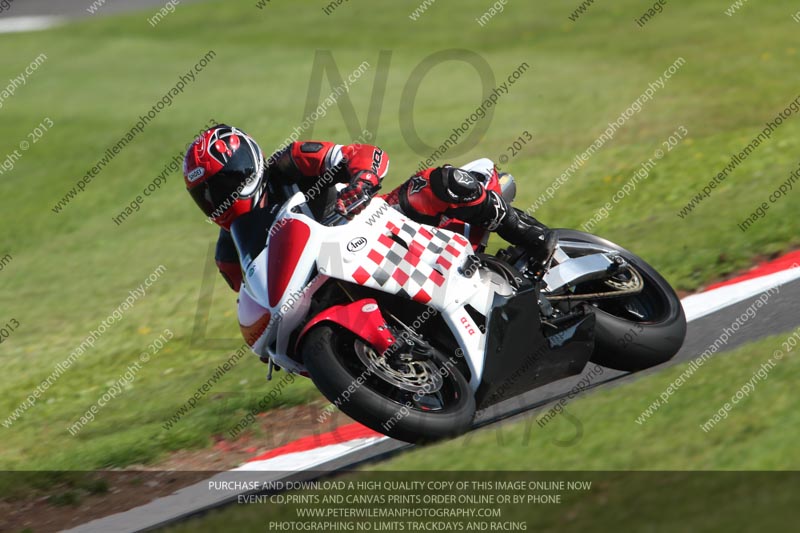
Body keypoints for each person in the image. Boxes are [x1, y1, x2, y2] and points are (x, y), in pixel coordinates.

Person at [183, 124, 555, 292]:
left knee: (438, 183)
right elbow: (257, 297)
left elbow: (364, 155)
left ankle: (531, 236)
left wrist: (360, 185)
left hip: (380, 228)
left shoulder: (291, 162)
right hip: (338, 280)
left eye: (225, 183)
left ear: (247, 166)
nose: (219, 199)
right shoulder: (228, 254)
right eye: (208, 195)